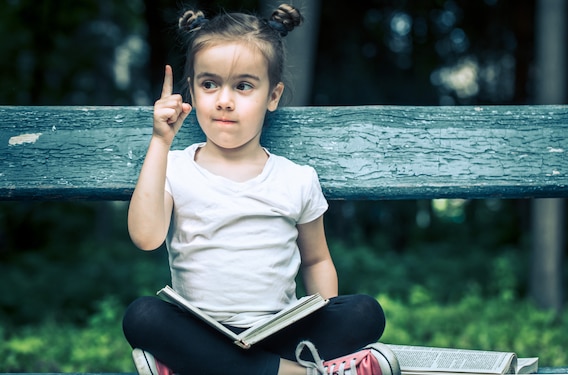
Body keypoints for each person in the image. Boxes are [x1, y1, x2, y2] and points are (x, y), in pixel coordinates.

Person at [122, 4, 400, 375]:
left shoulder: (296, 179)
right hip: (201, 329)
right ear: (191, 91)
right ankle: (296, 372)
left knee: (366, 312)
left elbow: (317, 260)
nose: (224, 99)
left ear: (273, 96)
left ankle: (201, 368)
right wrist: (160, 142)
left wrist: (324, 317)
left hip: (278, 330)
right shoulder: (175, 168)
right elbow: (145, 237)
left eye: (243, 86)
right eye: (209, 84)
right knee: (142, 316)